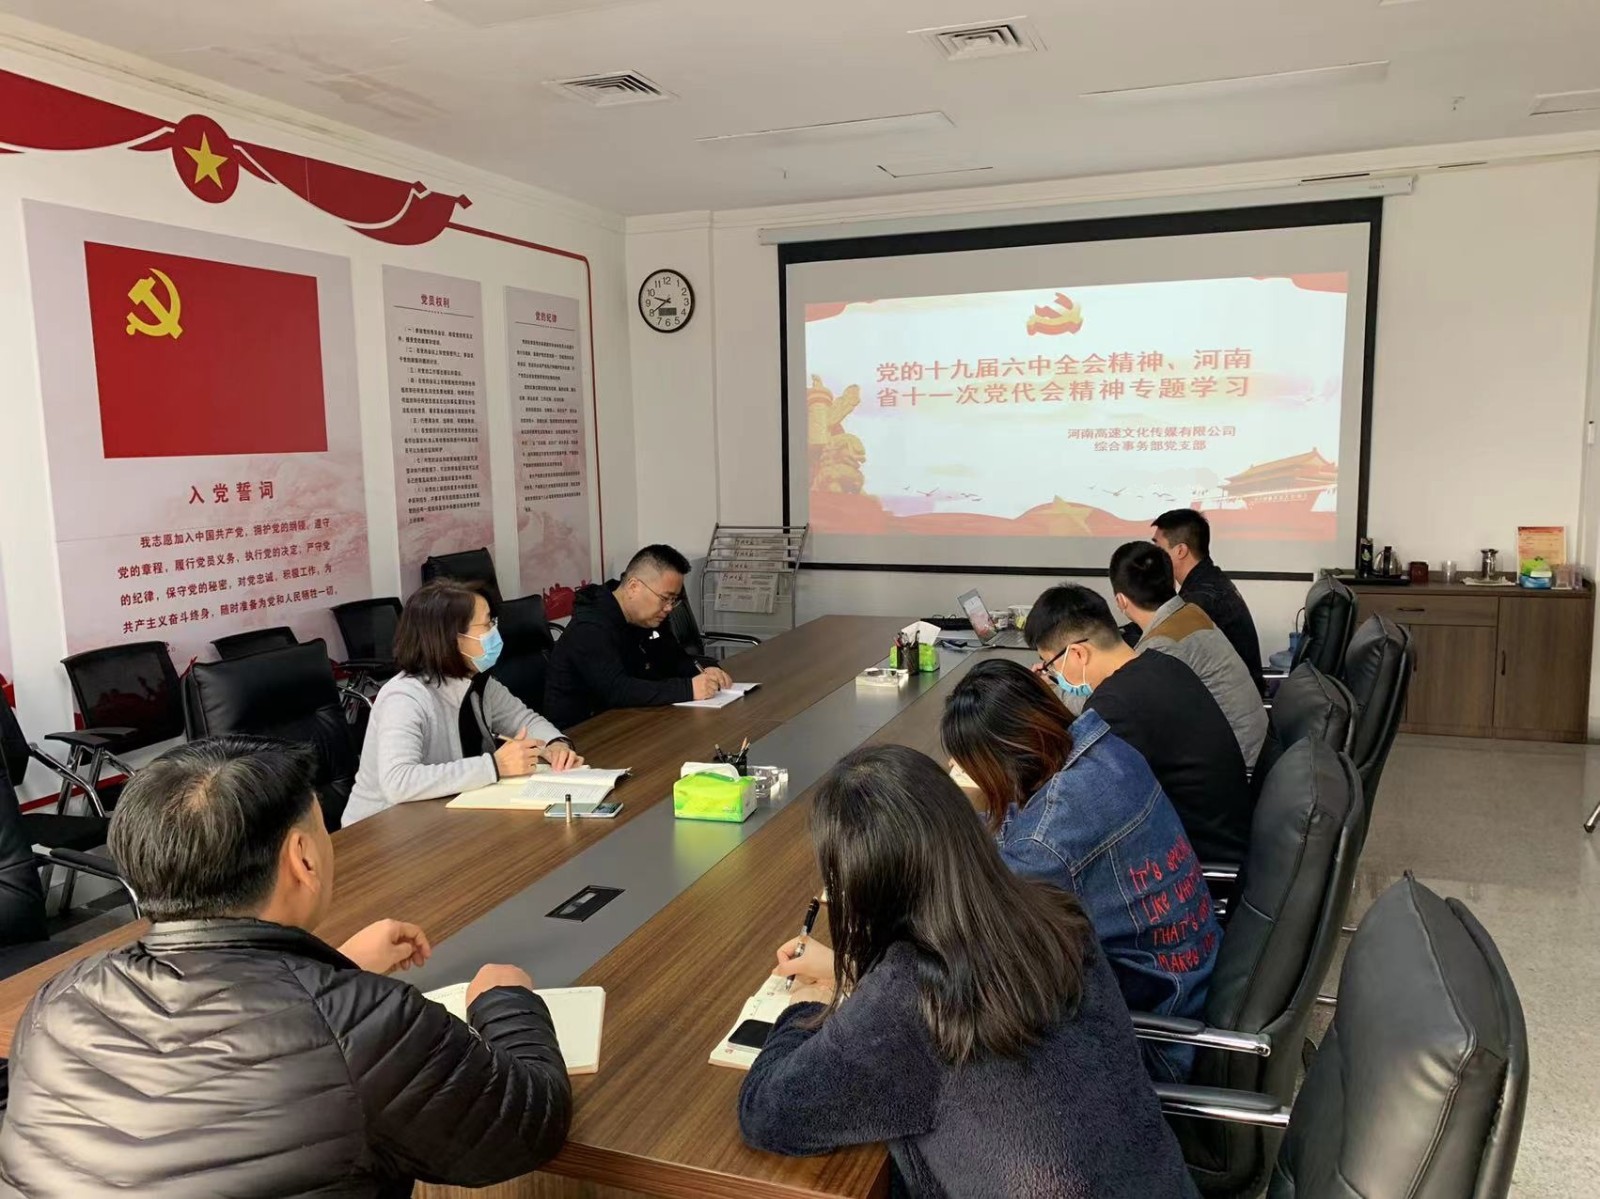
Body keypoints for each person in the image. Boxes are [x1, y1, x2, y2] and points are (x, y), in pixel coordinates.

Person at [0, 736, 571, 1197]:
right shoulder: (371, 1026)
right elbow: (528, 1125)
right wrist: (505, 1001)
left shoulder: (58, 1000)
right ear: (303, 858)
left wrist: (334, 970)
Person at [738, 745, 1197, 1199]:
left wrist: (805, 1010)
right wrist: (861, 974)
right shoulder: (1055, 913)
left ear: (863, 884)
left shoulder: (909, 998)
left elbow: (768, 1113)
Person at [942, 658, 1220, 1082]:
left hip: (1159, 1039)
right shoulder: (1105, 749)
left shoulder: (1049, 841)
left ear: (1001, 762)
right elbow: (1028, 826)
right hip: (1197, 980)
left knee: (966, 1028)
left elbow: (978, 933)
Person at [1027, 583, 1254, 863]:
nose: (1053, 674)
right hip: (1228, 833)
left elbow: (1078, 803)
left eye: (1050, 664)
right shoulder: (1162, 664)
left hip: (1197, 859)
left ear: (1077, 654)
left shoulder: (1115, 706)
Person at [343, 579, 581, 826]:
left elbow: (523, 720)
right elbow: (399, 782)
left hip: (445, 817)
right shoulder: (404, 697)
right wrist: (494, 766)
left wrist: (555, 744)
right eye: (487, 624)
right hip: (381, 830)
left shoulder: (476, 680)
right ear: (452, 637)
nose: (494, 632)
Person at [1111, 540, 1269, 768]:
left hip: (1238, 768)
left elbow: (1133, 714)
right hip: (1256, 754)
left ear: (1120, 601)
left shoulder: (1161, 646)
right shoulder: (1190, 612)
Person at [543, 544, 732, 727]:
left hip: (629, 720)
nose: (669, 608)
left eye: (673, 600)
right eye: (664, 598)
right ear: (634, 587)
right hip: (583, 733)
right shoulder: (590, 627)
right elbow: (617, 690)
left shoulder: (648, 617)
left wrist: (704, 669)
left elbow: (673, 658)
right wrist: (688, 689)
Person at [1152, 508, 1265, 696]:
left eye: (1158, 549)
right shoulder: (1209, 581)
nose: (1152, 557)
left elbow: (1161, 646)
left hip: (1228, 704)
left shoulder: (1201, 599)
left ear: (1180, 550)